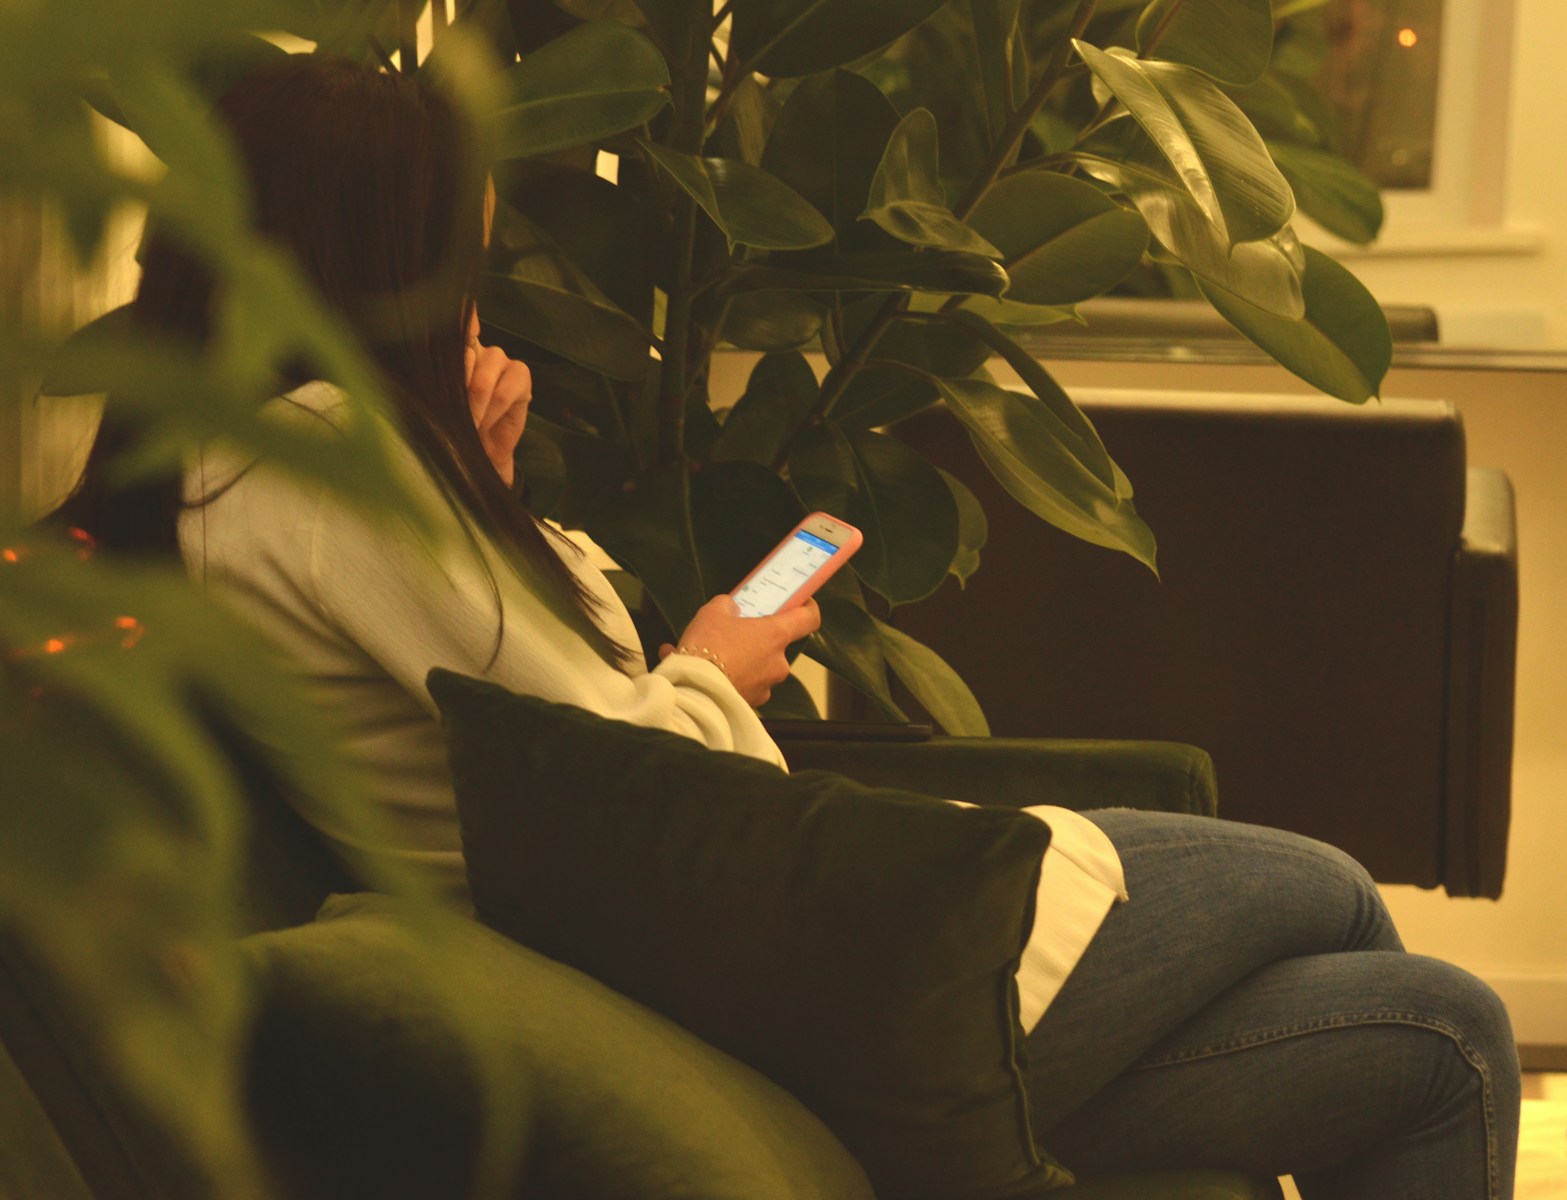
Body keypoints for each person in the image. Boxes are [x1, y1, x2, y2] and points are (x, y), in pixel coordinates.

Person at [67, 56, 1520, 1199]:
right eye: (461, 259)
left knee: (1423, 1019)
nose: (476, 292)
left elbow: (505, 704)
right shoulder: (336, 463)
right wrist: (716, 662)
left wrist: (490, 487)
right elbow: (611, 760)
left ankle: (989, 1138)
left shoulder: (220, 476)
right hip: (749, 949)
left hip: (717, 937)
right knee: (1370, 943)